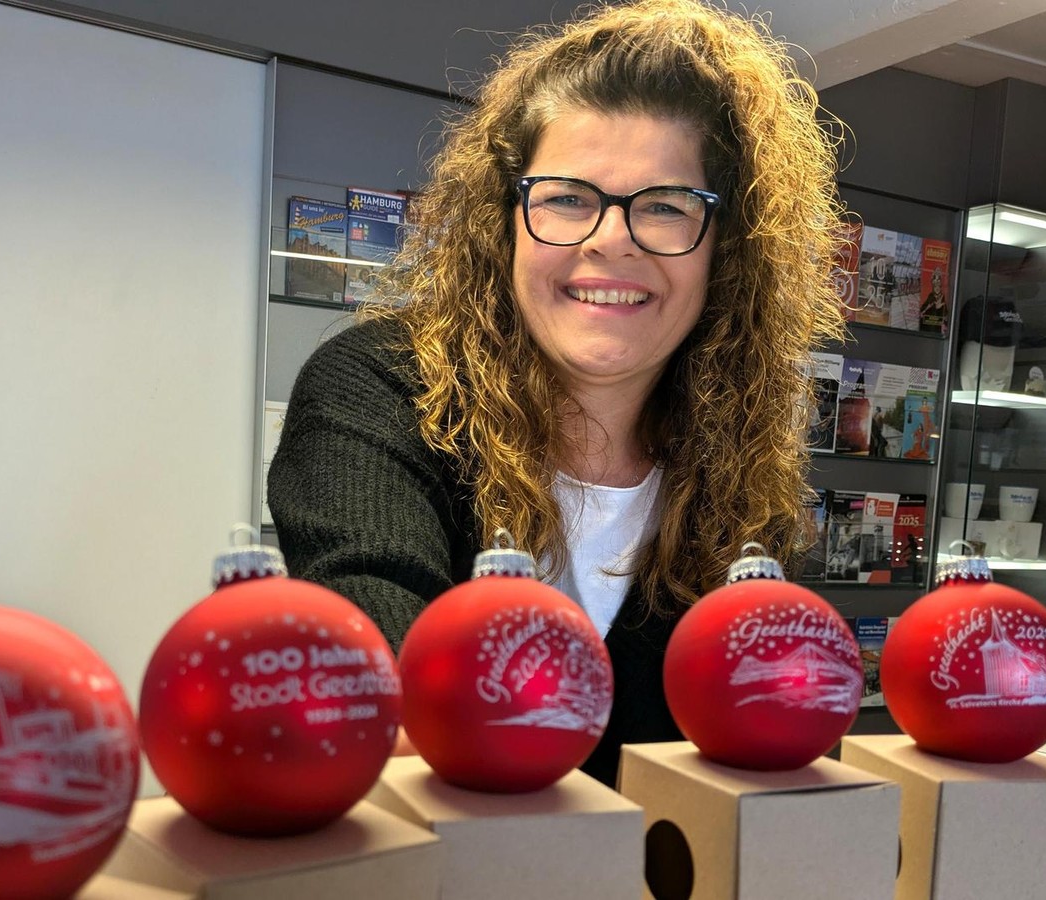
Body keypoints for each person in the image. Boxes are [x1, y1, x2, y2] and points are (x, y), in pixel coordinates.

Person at [267, 0, 847, 785]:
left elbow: (787, 732)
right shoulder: (379, 387)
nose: (612, 240)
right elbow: (383, 671)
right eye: (568, 197)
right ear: (505, 219)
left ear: (726, 249)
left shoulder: (738, 468)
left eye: (665, 207)